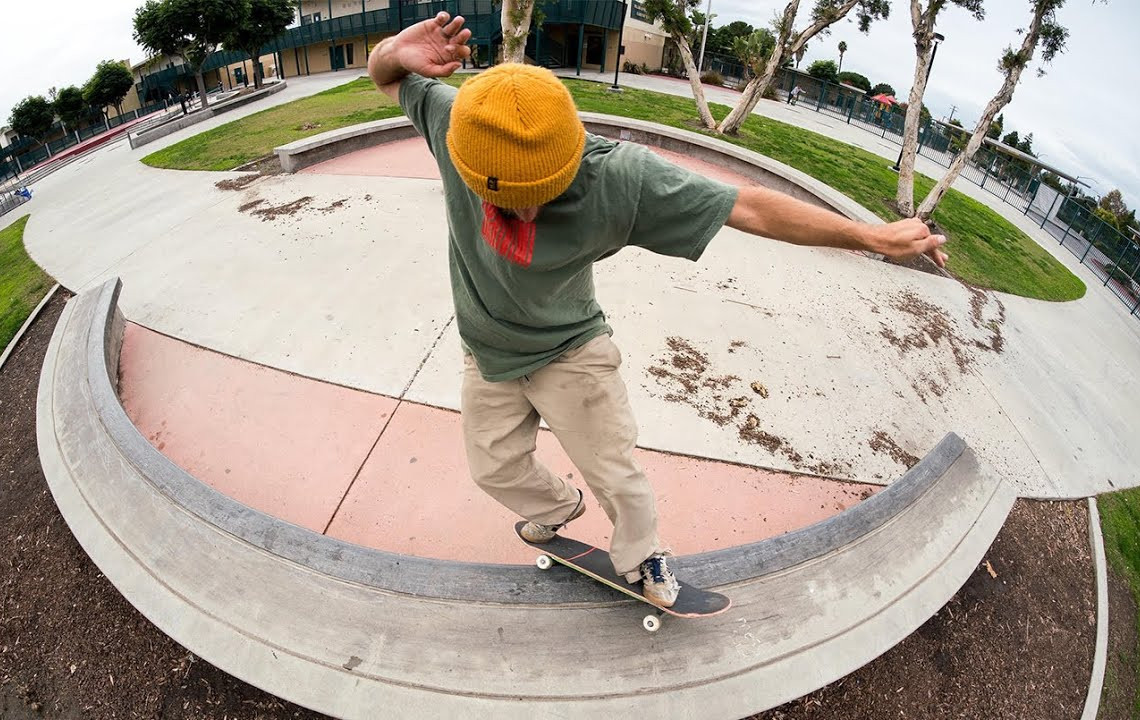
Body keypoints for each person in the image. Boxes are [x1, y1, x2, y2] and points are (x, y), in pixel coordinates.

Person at [367, 13, 947, 607]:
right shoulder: (459, 123)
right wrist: (392, 49)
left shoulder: (623, 178)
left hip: (570, 348)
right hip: (487, 350)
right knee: (492, 469)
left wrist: (870, 238)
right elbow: (387, 77)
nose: (525, 217)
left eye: (540, 198)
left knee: (617, 473)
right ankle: (559, 507)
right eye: (505, 203)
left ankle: (642, 558)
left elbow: (749, 208)